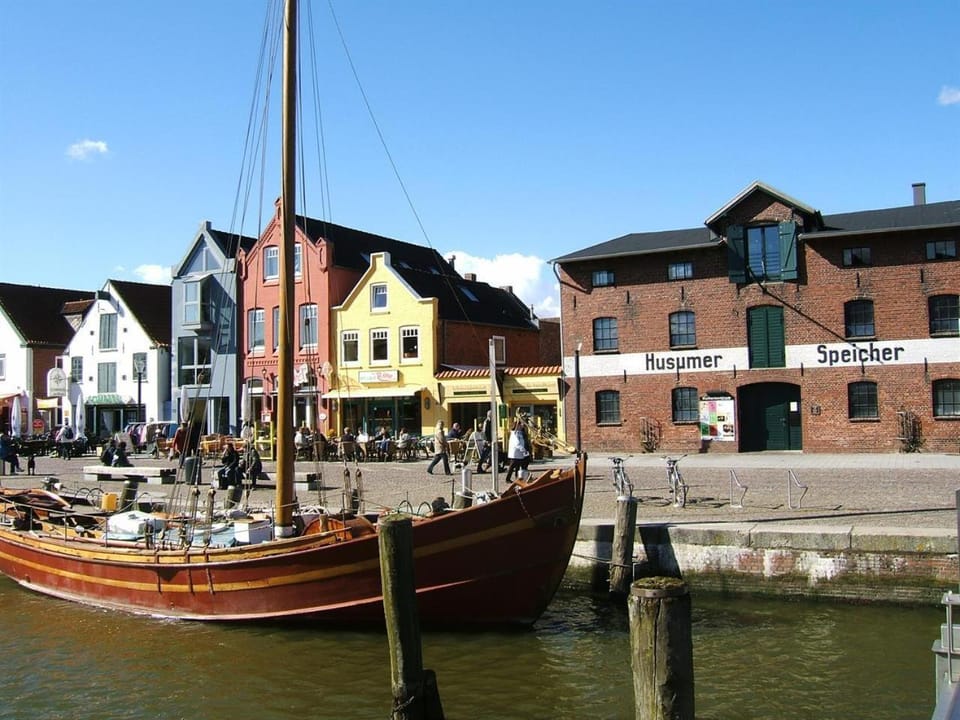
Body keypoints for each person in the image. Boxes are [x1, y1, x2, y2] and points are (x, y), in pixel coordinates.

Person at [504, 419, 531, 484]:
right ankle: (508, 478)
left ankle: (518, 478)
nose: (521, 426)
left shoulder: (520, 433)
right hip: (515, 453)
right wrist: (523, 450)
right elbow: (517, 443)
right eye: (520, 425)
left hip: (519, 454)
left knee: (518, 467)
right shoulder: (514, 434)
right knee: (512, 466)